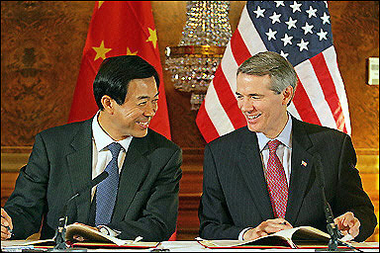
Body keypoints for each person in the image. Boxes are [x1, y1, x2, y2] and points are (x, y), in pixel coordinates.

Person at [198, 51, 377, 242]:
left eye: (255, 97)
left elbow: (363, 213)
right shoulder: (220, 152)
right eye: (240, 96)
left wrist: (354, 221)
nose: (245, 107)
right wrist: (248, 234)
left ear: (286, 95)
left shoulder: (332, 146)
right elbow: (210, 227)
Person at [1, 55, 182, 242]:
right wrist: (8, 225)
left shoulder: (164, 154)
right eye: (142, 103)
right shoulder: (53, 145)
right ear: (108, 103)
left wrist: (101, 234)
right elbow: (25, 208)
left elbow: (159, 222)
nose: (151, 111)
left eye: (155, 101)